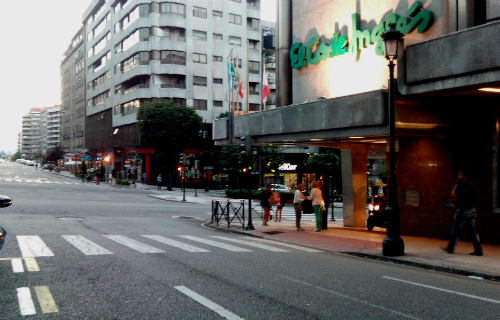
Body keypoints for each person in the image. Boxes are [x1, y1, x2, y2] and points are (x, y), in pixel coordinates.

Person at [441, 170, 483, 256]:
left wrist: (457, 183)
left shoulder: (461, 184)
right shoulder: (471, 185)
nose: (458, 175)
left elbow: (453, 194)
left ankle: (450, 248)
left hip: (463, 210)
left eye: (460, 174)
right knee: (473, 232)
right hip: (472, 210)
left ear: (464, 176)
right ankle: (478, 250)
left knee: (456, 229)